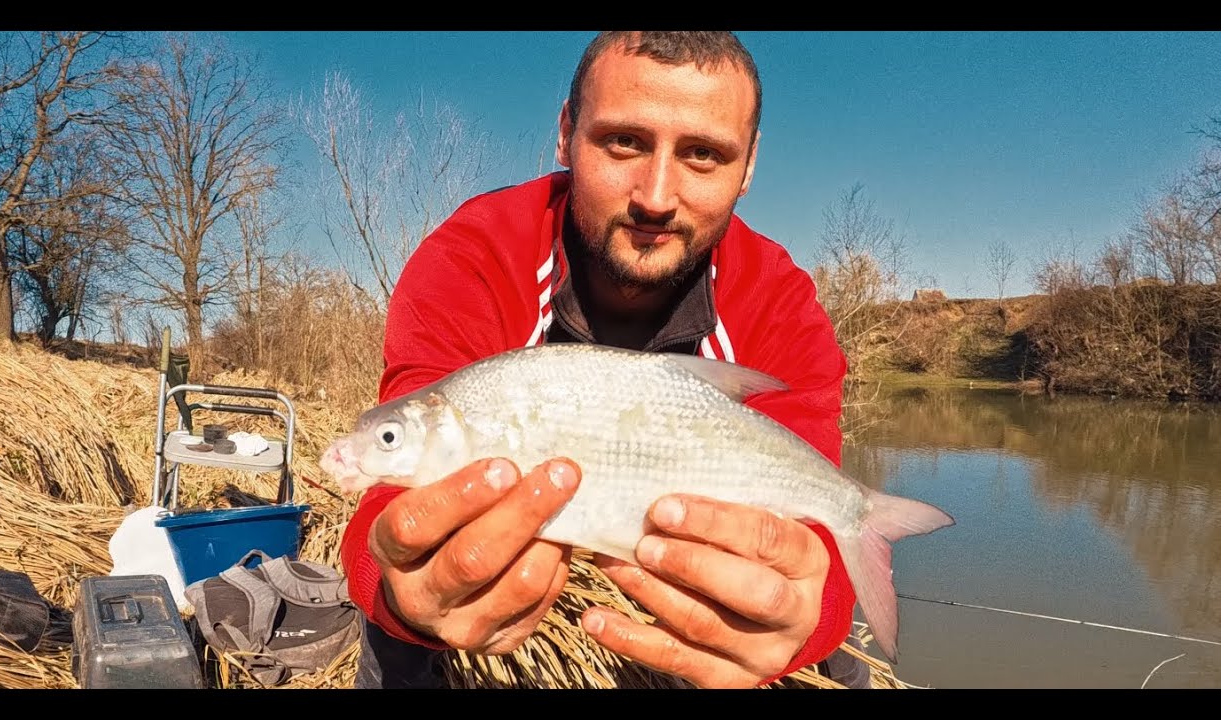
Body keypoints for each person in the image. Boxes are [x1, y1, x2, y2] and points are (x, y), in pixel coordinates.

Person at [339, 30, 868, 690]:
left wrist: (806, 621)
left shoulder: (779, 302)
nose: (656, 195)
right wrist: (401, 584)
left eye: (703, 154)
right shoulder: (473, 256)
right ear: (566, 133)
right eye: (624, 141)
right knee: (399, 638)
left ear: (750, 165)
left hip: (667, 605)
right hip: (465, 640)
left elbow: (823, 557)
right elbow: (388, 502)